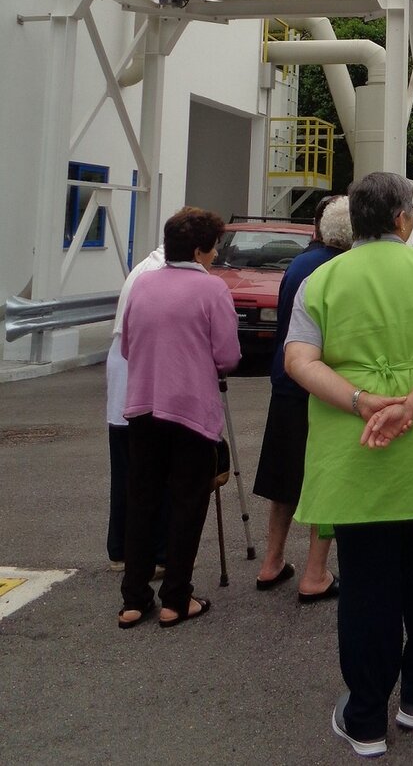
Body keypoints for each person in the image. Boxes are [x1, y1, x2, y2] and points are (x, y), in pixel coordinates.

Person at [285, 172, 413, 759]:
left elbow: (299, 359)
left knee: (365, 586)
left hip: (357, 451)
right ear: (405, 219)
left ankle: (365, 718)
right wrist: (412, 406)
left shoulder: (322, 280)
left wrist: (360, 401)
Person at [117, 207, 241, 629]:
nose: (216, 254)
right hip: (190, 410)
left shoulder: (142, 284)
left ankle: (134, 599)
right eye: (214, 247)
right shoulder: (212, 289)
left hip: (143, 405)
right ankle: (175, 598)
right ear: (200, 249)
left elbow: (127, 346)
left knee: (142, 499)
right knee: (188, 502)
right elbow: (227, 356)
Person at [253, 196, 351, 600]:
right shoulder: (341, 269)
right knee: (323, 476)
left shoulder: (298, 263)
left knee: (284, 478)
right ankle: (315, 573)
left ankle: (271, 561)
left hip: (286, 380)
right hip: (323, 383)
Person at [105, 244, 166, 572]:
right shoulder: (160, 274)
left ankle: (120, 549)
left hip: (124, 379)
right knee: (150, 475)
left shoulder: (145, 267)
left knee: (126, 471)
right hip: (141, 383)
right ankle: (152, 554)